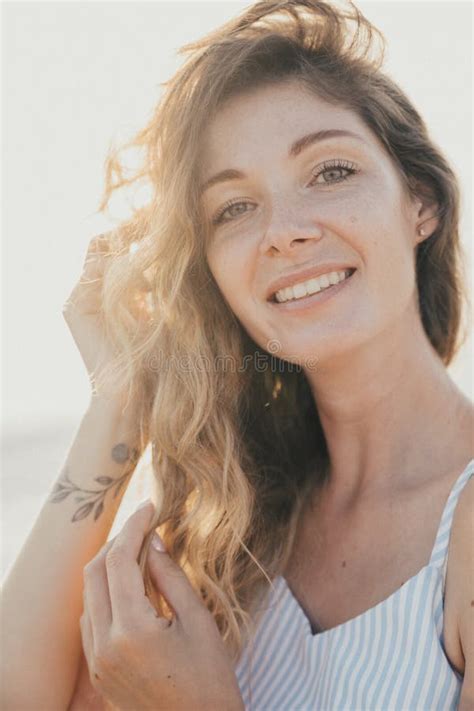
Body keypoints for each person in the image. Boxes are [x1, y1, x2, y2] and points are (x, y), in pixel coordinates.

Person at [1, 0, 473, 709]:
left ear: (422, 203)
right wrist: (119, 400)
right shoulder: (237, 534)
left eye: (330, 171)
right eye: (233, 209)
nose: (283, 232)